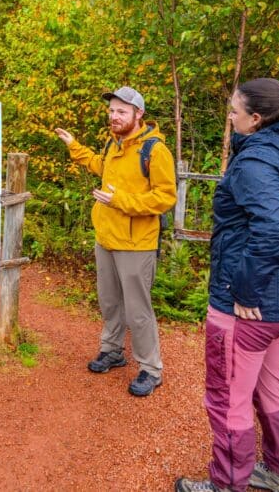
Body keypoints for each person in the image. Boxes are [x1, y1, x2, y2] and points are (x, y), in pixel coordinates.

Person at [175, 78, 279, 492]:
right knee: (270, 388)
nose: (229, 117)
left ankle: (227, 484)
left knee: (228, 399)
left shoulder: (256, 162)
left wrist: (245, 289)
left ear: (255, 119)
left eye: (233, 111)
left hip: (249, 306)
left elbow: (278, 230)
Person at [55, 86, 177, 397]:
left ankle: (151, 368)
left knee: (138, 310)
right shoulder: (114, 144)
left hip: (136, 243)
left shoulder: (154, 150)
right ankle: (112, 351)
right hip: (106, 237)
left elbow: (165, 197)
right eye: (111, 111)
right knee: (109, 302)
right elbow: (101, 166)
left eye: (121, 111)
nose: (114, 116)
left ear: (139, 114)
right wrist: (75, 147)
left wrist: (120, 200)